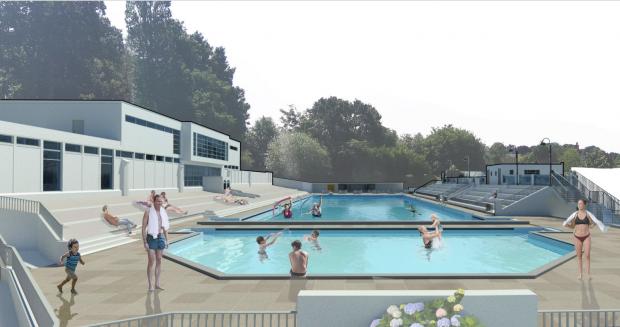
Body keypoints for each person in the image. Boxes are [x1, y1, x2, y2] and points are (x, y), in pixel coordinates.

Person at [562, 198, 608, 280]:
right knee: (579, 256)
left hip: (586, 236)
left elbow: (591, 225)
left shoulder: (588, 215)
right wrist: (566, 225)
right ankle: (580, 274)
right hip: (577, 237)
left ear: (584, 205)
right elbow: (572, 226)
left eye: (580, 204)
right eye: (578, 204)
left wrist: (595, 224)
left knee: (587, 255)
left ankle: (588, 274)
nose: (579, 205)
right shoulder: (575, 215)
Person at [142, 194, 170, 291]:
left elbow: (165, 227)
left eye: (161, 201)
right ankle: (150, 285)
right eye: (157, 201)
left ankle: (157, 283)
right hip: (151, 237)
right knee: (151, 261)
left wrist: (167, 240)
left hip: (161, 237)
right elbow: (143, 228)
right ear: (154, 202)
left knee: (159, 260)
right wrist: (145, 242)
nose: (159, 203)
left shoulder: (163, 212)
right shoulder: (148, 212)